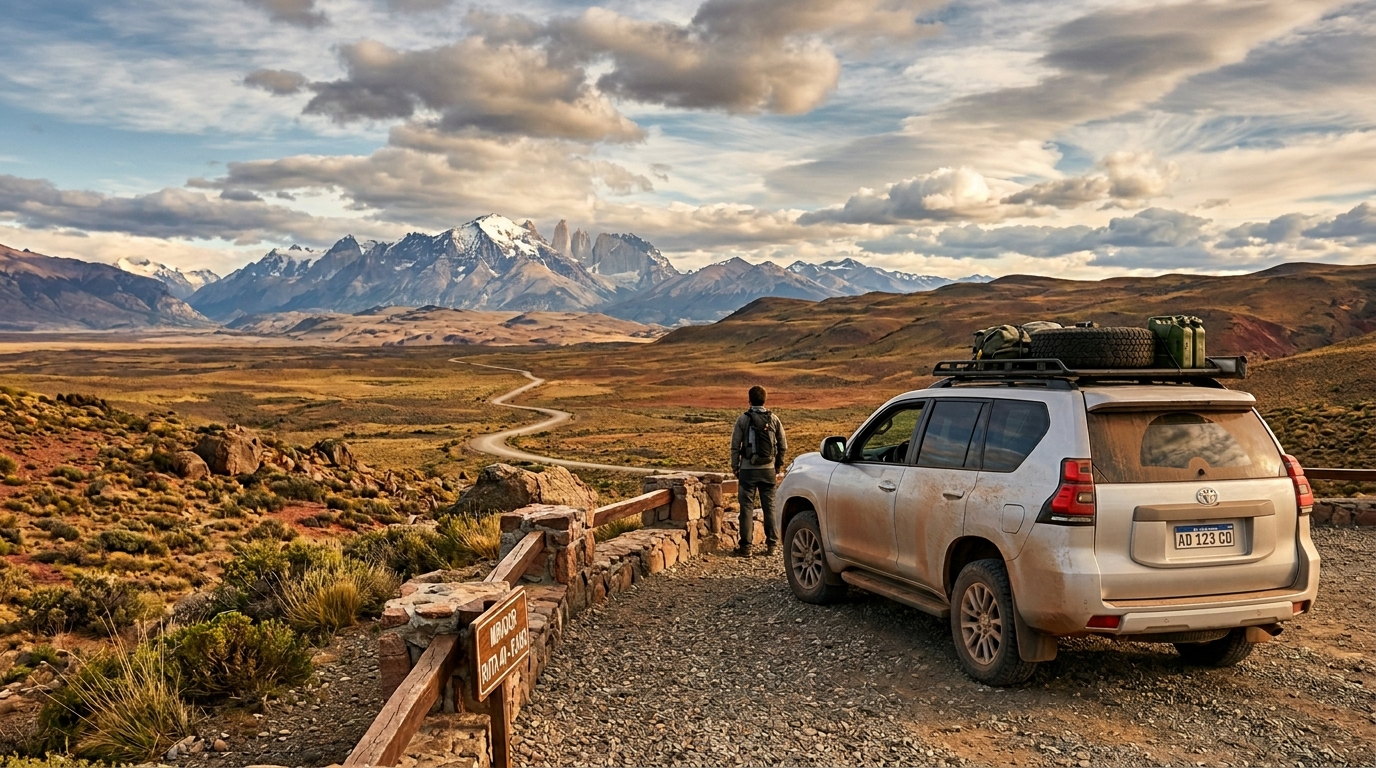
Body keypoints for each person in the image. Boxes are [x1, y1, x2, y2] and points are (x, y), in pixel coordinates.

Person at [730, 385, 786, 557]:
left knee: (746, 508)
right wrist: (777, 466)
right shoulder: (774, 419)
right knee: (769, 507)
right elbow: (783, 445)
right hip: (768, 470)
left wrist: (735, 467)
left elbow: (735, 446)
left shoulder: (743, 419)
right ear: (765, 400)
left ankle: (746, 547)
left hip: (748, 470)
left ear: (749, 399)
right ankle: (772, 546)